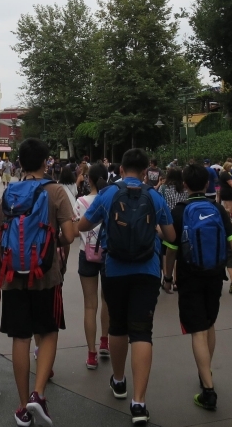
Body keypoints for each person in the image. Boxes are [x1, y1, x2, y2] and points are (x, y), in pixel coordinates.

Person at [79, 148, 175, 425]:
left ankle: (119, 382)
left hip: (115, 269)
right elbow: (171, 236)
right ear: (147, 172)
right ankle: (139, 403)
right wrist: (155, 229)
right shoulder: (154, 197)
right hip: (148, 270)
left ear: (120, 170)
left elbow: (85, 224)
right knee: (142, 332)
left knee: (118, 326)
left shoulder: (108, 194)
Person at [0, 138, 76, 427]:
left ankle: (23, 407)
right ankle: (39, 394)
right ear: (46, 161)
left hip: (12, 277)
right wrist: (54, 242)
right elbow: (70, 235)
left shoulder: (10, 192)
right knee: (48, 332)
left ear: (20, 163)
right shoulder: (56, 191)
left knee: (20, 338)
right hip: (46, 276)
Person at [162, 162, 232, 412]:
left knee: (197, 330)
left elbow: (172, 251)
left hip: (190, 277)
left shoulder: (179, 211)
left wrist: (167, 277)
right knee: (209, 324)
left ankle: (208, 391)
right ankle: (205, 370)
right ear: (208, 184)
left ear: (184, 185)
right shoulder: (217, 208)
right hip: (214, 274)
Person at [74, 163, 111, 370]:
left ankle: (91, 354)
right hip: (108, 255)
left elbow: (74, 229)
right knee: (107, 300)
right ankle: (105, 341)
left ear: (88, 180)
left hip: (85, 254)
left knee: (90, 305)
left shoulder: (80, 202)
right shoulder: (111, 199)